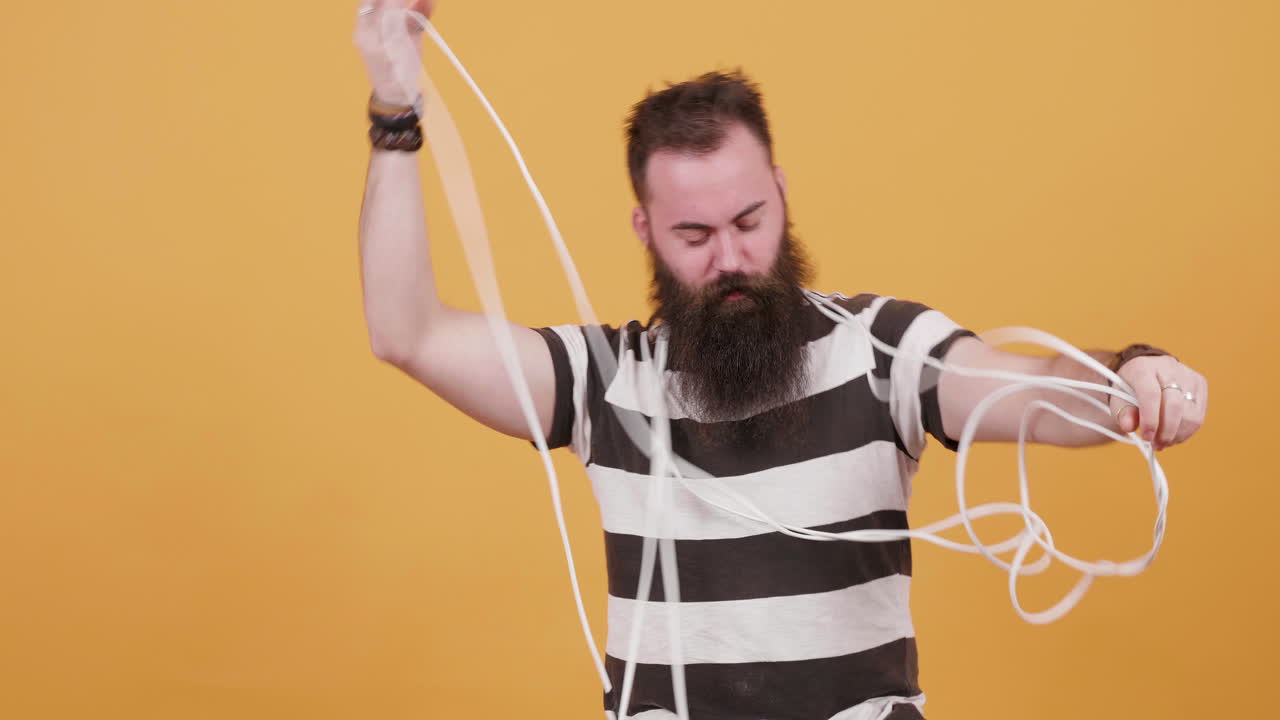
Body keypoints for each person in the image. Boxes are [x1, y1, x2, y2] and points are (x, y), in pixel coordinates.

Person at [353, 2, 1209, 718]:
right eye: (694, 234)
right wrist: (395, 103)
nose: (729, 258)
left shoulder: (884, 351)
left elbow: (1035, 388)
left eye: (749, 221)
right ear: (647, 232)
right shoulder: (604, 382)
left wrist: (1132, 377)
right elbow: (406, 332)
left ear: (784, 197)